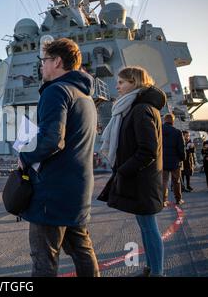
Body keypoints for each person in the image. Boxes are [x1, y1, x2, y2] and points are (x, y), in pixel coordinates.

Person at [18, 38, 99, 277]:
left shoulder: (56, 91)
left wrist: (25, 155)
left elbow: (53, 140)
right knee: (82, 251)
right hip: (77, 189)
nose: (41, 67)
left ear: (57, 61)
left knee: (44, 258)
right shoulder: (85, 97)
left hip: (51, 193)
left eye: (44, 61)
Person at [98, 66, 166, 277]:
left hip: (142, 180)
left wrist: (123, 170)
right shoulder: (135, 108)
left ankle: (157, 272)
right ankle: (153, 268)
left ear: (134, 83)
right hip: (141, 178)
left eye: (121, 82)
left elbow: (148, 150)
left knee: (149, 226)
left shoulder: (140, 109)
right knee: (145, 226)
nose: (117, 86)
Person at [162, 114, 185, 205]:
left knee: (164, 181)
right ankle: (178, 199)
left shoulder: (159, 130)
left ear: (164, 120)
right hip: (175, 161)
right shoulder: (177, 132)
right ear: (173, 121)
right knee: (176, 181)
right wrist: (182, 158)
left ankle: (164, 200)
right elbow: (181, 147)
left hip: (163, 161)